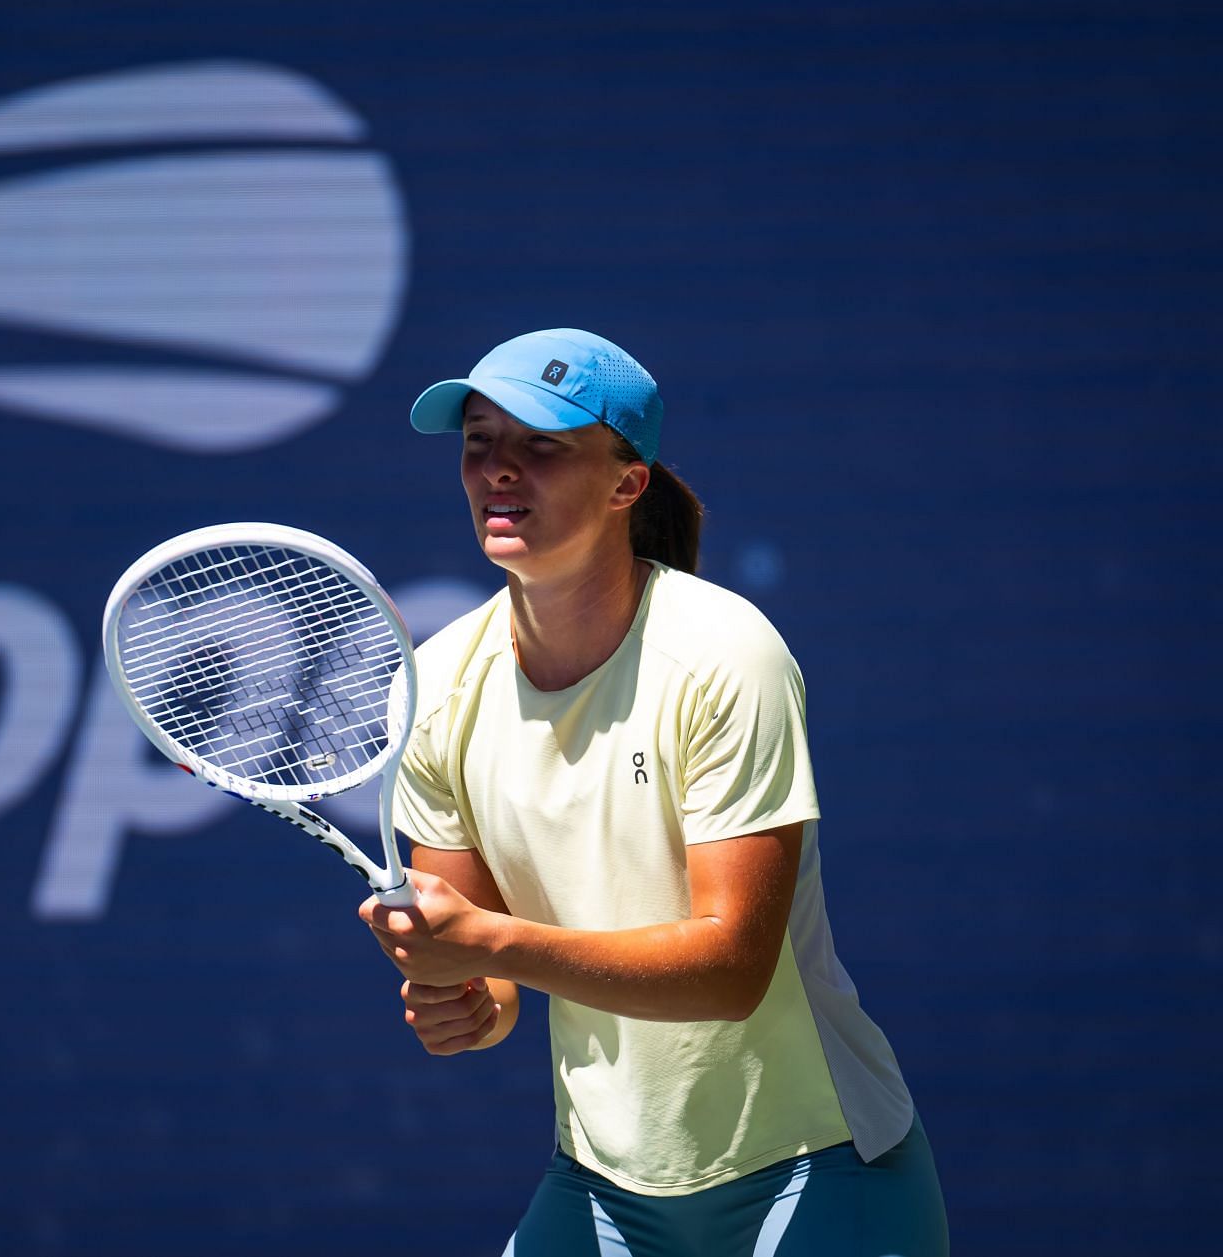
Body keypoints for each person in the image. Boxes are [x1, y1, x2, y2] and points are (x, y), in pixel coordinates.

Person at [357, 329, 949, 1256]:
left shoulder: (723, 654)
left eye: (541, 445)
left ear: (627, 483)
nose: (498, 471)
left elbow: (731, 967)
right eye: (479, 441)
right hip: (602, 1184)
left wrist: (493, 943)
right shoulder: (433, 688)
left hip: (818, 1170)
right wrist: (471, 1000)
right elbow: (495, 972)